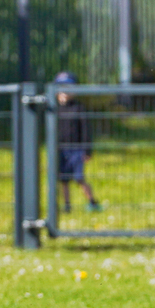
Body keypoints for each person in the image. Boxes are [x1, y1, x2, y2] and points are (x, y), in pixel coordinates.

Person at [54, 72, 101, 213]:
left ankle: (92, 202)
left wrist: (87, 151)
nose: (65, 92)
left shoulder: (79, 108)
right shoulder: (55, 109)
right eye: (61, 88)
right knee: (63, 179)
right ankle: (67, 205)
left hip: (77, 150)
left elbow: (86, 131)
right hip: (61, 150)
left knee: (79, 178)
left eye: (68, 87)